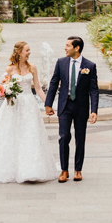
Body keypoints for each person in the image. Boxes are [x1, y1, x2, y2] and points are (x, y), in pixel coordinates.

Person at [0, 41, 58, 183]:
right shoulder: (10, 69)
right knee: (11, 134)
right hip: (13, 105)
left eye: (29, 50)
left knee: (30, 134)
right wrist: (6, 94)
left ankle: (32, 169)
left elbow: (37, 88)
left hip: (29, 105)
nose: (29, 52)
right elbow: (2, 87)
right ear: (19, 52)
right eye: (27, 50)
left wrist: (47, 104)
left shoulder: (33, 68)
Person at [44, 35, 99, 182]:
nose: (65, 48)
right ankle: (64, 170)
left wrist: (94, 110)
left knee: (80, 138)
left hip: (81, 107)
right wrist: (48, 104)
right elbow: (54, 83)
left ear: (77, 48)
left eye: (68, 45)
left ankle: (78, 170)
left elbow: (94, 90)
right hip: (65, 105)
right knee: (64, 137)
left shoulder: (90, 65)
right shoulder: (61, 62)